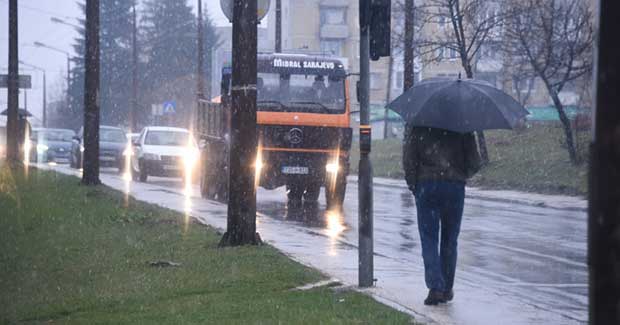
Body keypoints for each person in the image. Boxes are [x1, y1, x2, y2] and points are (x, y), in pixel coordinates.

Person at [402, 125, 482, 305]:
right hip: (454, 186)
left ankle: (435, 287)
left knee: (429, 238)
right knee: (450, 239)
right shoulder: (462, 125)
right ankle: (446, 288)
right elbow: (475, 162)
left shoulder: (419, 123)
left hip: (427, 185)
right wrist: (460, 173)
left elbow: (409, 159)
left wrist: (414, 184)